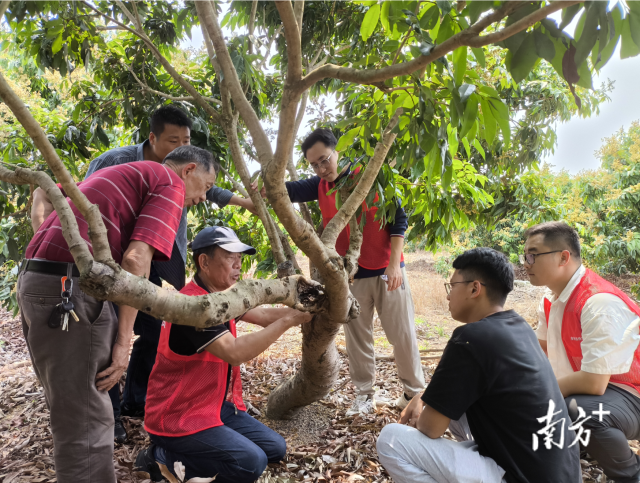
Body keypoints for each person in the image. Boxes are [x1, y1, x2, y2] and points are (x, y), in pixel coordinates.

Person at [18, 146, 218, 483]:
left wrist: (41, 226)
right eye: (207, 187)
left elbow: (47, 191)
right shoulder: (169, 183)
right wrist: (125, 339)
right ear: (189, 170)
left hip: (36, 280)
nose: (201, 198)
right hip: (69, 289)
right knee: (88, 419)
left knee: (71, 410)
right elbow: (135, 261)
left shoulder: (120, 173)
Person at [83, 105, 255, 441]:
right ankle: (112, 415)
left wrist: (248, 202)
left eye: (185, 139)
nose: (179, 145)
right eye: (172, 140)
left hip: (159, 253)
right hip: (121, 259)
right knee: (113, 333)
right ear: (153, 138)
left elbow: (209, 190)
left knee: (155, 329)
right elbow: (89, 201)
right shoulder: (127, 164)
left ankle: (137, 399)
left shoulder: (181, 176)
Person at [251, 128, 425, 415]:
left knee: (402, 334)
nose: (321, 169)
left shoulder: (369, 176)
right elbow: (286, 191)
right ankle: (364, 395)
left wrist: (394, 264)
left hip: (386, 269)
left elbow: (399, 220)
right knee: (357, 336)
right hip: (352, 274)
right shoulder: (320, 185)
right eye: (314, 165)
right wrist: (263, 185)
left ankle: (413, 394)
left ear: (338, 151)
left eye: (325, 160)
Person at [376, 247, 581, 483]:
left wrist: (422, 410)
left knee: (392, 439)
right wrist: (423, 397)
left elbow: (430, 428)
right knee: (454, 407)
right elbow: (450, 394)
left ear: (475, 288)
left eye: (451, 286)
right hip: (555, 472)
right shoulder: (519, 326)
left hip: (519, 476)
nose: (447, 295)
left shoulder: (470, 338)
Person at [135, 226, 312, 483]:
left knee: (275, 449)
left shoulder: (221, 297)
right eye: (230, 257)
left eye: (240, 258)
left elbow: (262, 316)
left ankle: (202, 450)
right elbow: (235, 353)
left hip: (213, 405)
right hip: (178, 414)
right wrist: (289, 321)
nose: (238, 265)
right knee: (252, 463)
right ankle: (159, 456)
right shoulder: (194, 308)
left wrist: (307, 312)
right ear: (204, 262)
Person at [523, 221, 640, 483]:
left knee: (578, 410)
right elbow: (537, 351)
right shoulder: (552, 298)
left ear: (563, 257)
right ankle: (580, 448)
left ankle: (631, 475)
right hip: (605, 390)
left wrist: (537, 392)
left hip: (630, 391)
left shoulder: (598, 301)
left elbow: (594, 382)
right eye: (525, 256)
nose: (526, 263)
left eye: (532, 255)